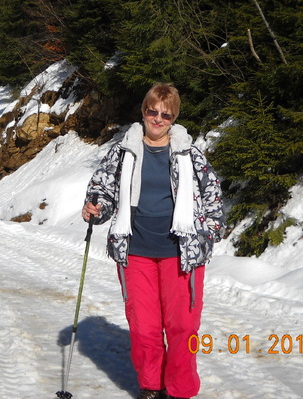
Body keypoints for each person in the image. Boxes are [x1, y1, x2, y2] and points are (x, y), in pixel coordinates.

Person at [81, 83, 225, 399]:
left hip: (181, 252)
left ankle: (180, 390)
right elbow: (102, 191)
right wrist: (95, 207)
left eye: (166, 114)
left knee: (182, 328)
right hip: (136, 251)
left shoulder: (190, 154)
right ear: (144, 110)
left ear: (174, 117)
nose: (157, 119)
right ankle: (150, 386)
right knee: (145, 328)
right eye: (152, 111)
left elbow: (213, 195)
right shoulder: (123, 151)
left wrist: (211, 230)